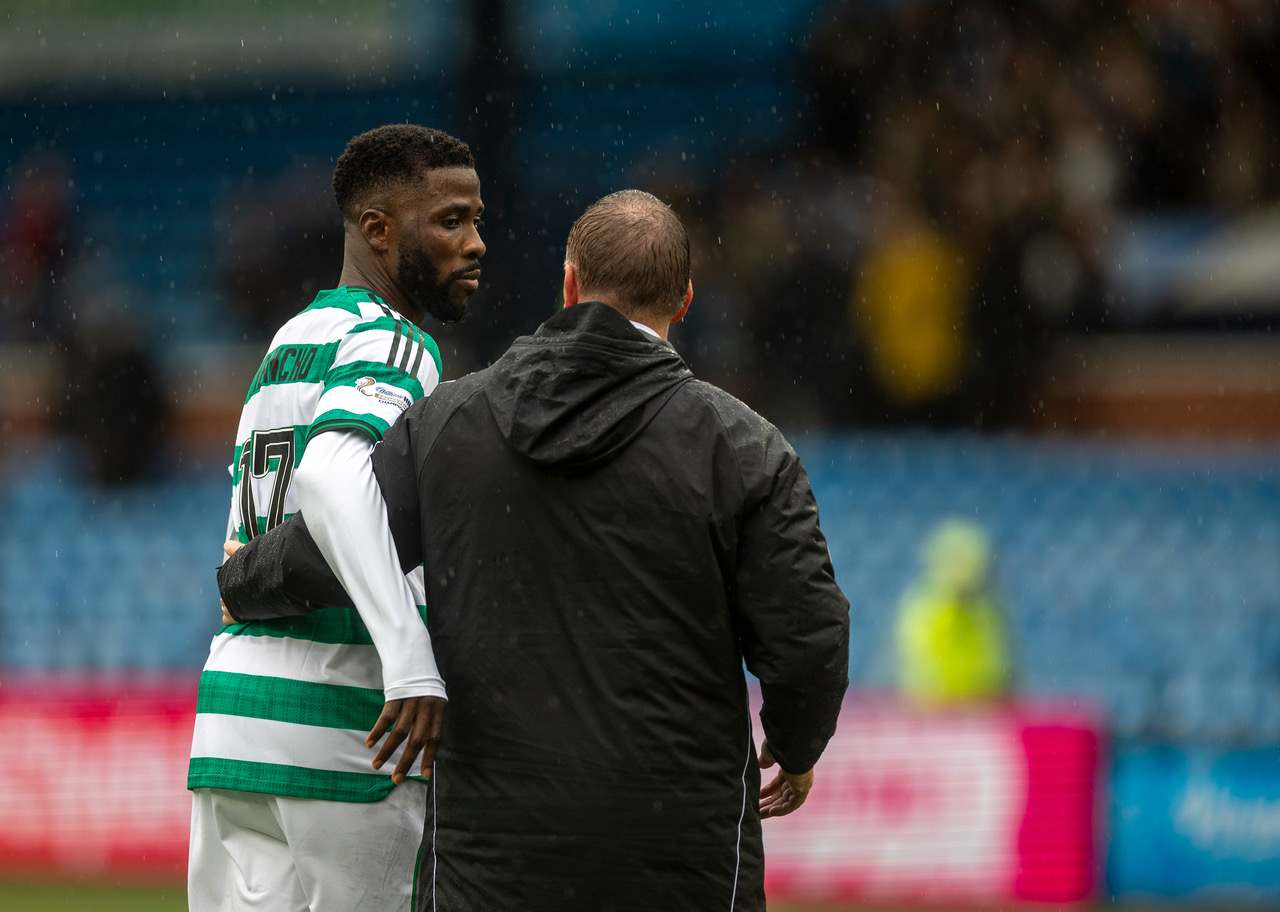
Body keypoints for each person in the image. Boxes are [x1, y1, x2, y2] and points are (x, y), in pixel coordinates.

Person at [218, 189, 850, 911]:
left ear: (570, 282)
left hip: (489, 854)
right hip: (679, 849)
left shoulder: (448, 425)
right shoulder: (742, 449)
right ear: (684, 300)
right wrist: (796, 748)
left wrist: (245, 578)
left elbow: (340, 543)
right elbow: (808, 640)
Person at [188, 124, 486, 912]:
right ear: (379, 231)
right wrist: (409, 653)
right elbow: (330, 478)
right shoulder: (391, 341)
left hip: (232, 727)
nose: (476, 242)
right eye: (451, 220)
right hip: (344, 731)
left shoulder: (290, 341)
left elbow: (251, 535)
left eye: (476, 219)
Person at [895, 517, 1011, 706]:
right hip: (939, 715)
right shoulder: (924, 609)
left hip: (978, 712)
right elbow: (918, 676)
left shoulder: (988, 611)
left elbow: (998, 673)